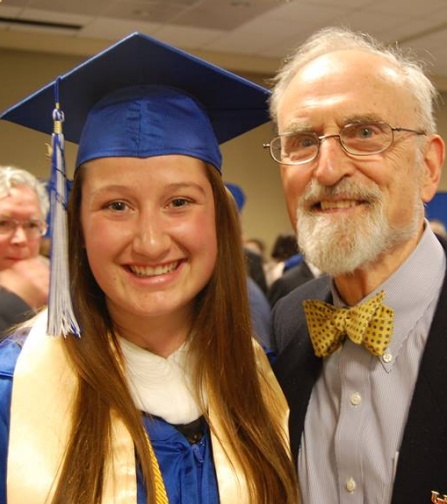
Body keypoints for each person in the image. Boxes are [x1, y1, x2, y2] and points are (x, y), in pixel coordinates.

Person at [0, 33, 299, 504]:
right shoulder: (12, 392)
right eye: (116, 205)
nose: (151, 241)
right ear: (76, 224)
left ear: (219, 221)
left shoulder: (262, 379)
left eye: (179, 202)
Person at [263, 26, 447, 503]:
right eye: (302, 140)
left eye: (364, 133)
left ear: (428, 167)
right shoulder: (289, 322)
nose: (327, 169)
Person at [0, 166, 49, 338]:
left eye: (31, 225)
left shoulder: (53, 282)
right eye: (3, 223)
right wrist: (15, 300)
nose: (20, 239)